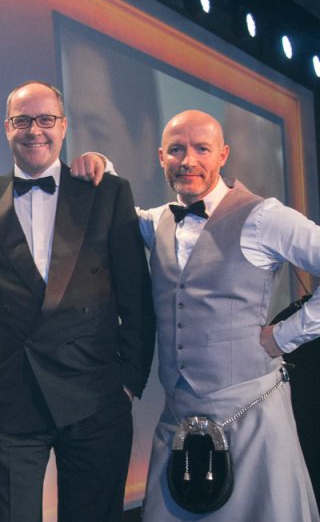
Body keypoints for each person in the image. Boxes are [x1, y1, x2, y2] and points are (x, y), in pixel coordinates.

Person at [0, 80, 156, 521]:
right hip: (13, 398)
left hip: (96, 396)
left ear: (63, 126)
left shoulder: (106, 191)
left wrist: (129, 380)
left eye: (45, 120)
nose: (33, 130)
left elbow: (137, 294)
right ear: (6, 128)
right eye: (22, 120)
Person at [135, 110, 320, 520]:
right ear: (160, 157)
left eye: (202, 149)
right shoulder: (155, 221)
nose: (188, 161)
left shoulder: (263, 216)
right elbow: (113, 210)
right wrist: (98, 164)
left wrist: (286, 336)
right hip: (178, 416)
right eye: (177, 150)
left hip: (251, 411)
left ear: (223, 155)